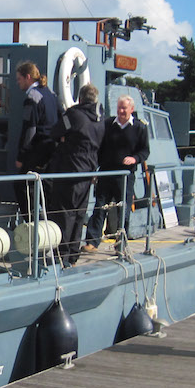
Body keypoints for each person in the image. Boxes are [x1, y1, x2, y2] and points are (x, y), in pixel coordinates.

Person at [83, 94, 149, 250]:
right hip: (106, 173)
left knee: (123, 210)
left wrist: (135, 159)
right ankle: (92, 242)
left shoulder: (140, 128)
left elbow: (145, 151)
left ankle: (121, 244)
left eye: (124, 108)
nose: (121, 111)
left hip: (125, 176)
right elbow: (98, 149)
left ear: (131, 109)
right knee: (100, 207)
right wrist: (94, 170)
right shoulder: (108, 124)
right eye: (119, 107)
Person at [47, 82, 103, 265]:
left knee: (63, 213)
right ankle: (72, 254)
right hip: (88, 172)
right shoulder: (100, 118)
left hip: (69, 170)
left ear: (80, 98)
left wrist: (64, 139)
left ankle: (60, 255)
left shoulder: (74, 114)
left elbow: (55, 132)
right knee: (79, 214)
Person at [13, 61, 59, 216]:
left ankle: (31, 222)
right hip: (52, 149)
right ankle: (49, 220)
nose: (18, 83)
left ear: (27, 77)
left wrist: (21, 155)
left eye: (19, 79)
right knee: (45, 187)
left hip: (39, 149)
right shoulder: (50, 94)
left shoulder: (32, 97)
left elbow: (29, 129)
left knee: (21, 184)